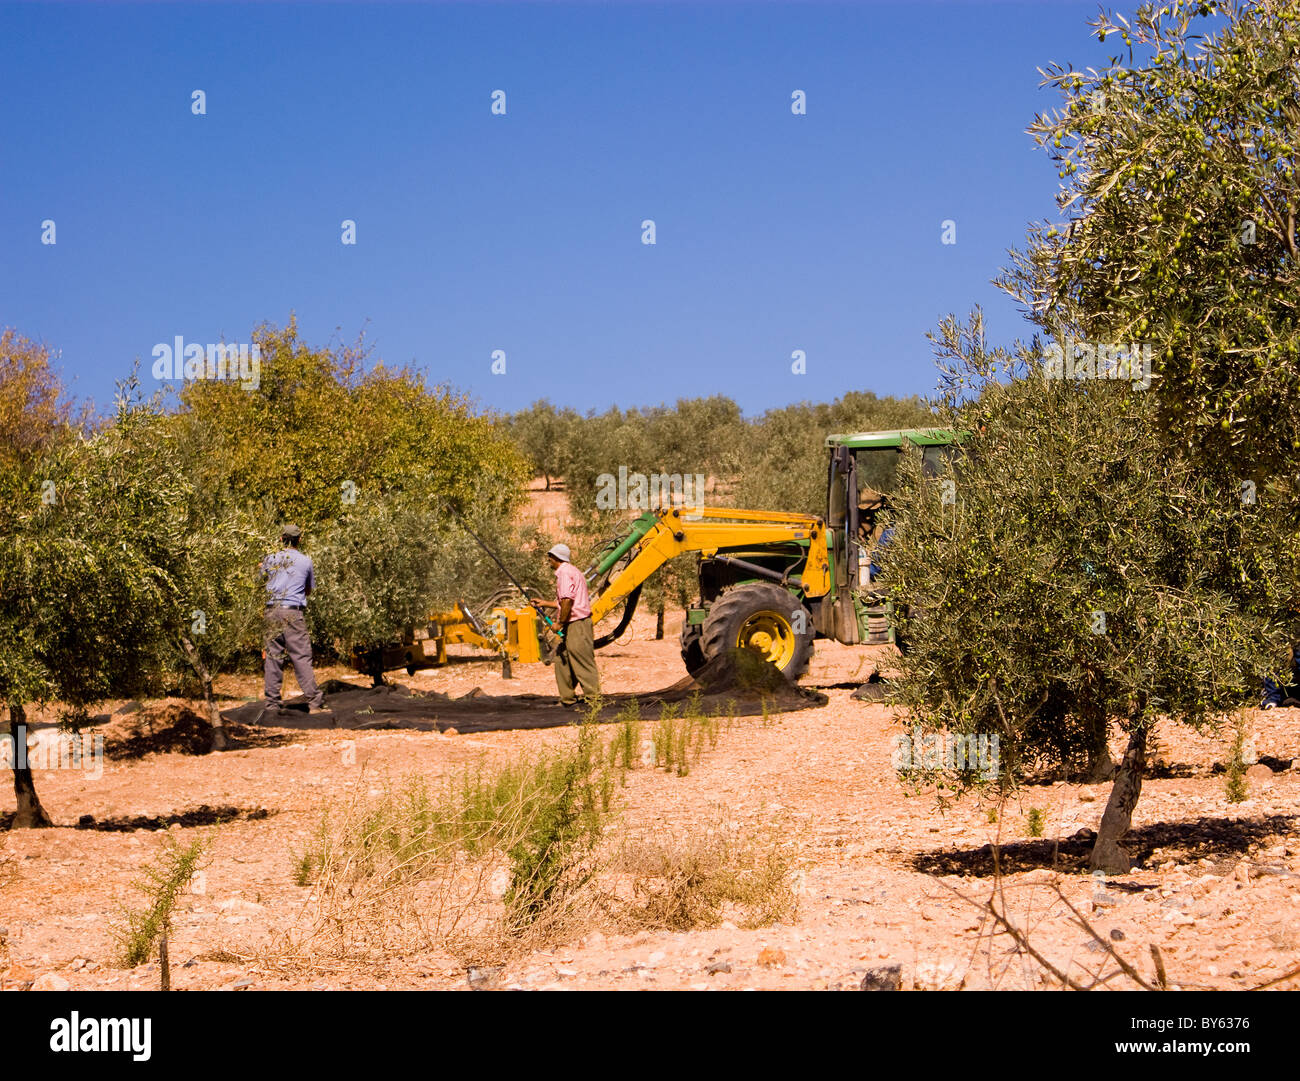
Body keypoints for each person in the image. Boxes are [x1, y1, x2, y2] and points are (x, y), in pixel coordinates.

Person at [260, 524, 326, 714]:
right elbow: (308, 590)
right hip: (293, 612)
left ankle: (272, 704)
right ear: (299, 540)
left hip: (271, 612)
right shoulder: (306, 561)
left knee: (273, 657)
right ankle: (314, 701)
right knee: (301, 657)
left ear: (281, 539)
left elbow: (259, 582)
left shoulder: (269, 559)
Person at [534, 543, 601, 708]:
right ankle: (567, 699)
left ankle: (594, 701)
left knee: (582, 660)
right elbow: (564, 601)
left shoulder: (564, 572)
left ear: (557, 558)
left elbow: (567, 601)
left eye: (550, 556)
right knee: (561, 659)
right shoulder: (572, 571)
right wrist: (544, 603)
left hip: (577, 624)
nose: (548, 560)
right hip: (574, 623)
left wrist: (559, 623)